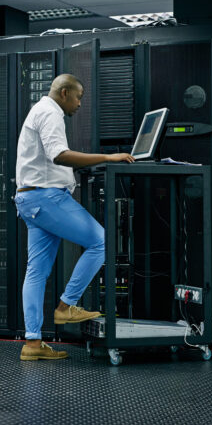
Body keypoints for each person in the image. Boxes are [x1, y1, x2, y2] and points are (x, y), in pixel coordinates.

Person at [14, 73, 134, 361]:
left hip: (29, 199)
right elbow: (60, 155)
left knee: (37, 271)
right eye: (79, 97)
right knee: (101, 242)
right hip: (46, 198)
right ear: (64, 92)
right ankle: (67, 305)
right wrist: (109, 157)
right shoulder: (51, 113)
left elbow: (52, 158)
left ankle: (32, 344)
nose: (80, 103)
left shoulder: (40, 110)